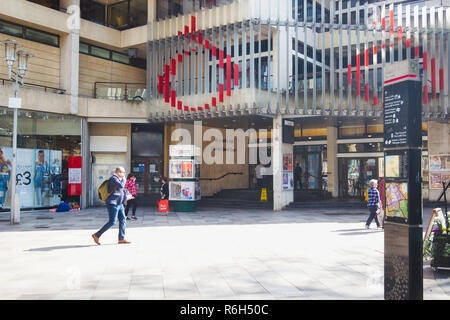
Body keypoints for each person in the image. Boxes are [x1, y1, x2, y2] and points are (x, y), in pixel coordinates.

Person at [92, 167, 134, 245]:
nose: (124, 174)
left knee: (123, 219)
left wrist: (127, 197)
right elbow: (121, 186)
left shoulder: (120, 180)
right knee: (112, 222)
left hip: (119, 203)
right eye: (123, 172)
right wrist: (125, 179)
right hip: (113, 203)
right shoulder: (113, 179)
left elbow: (122, 191)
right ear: (118, 172)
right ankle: (96, 235)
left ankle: (121, 238)